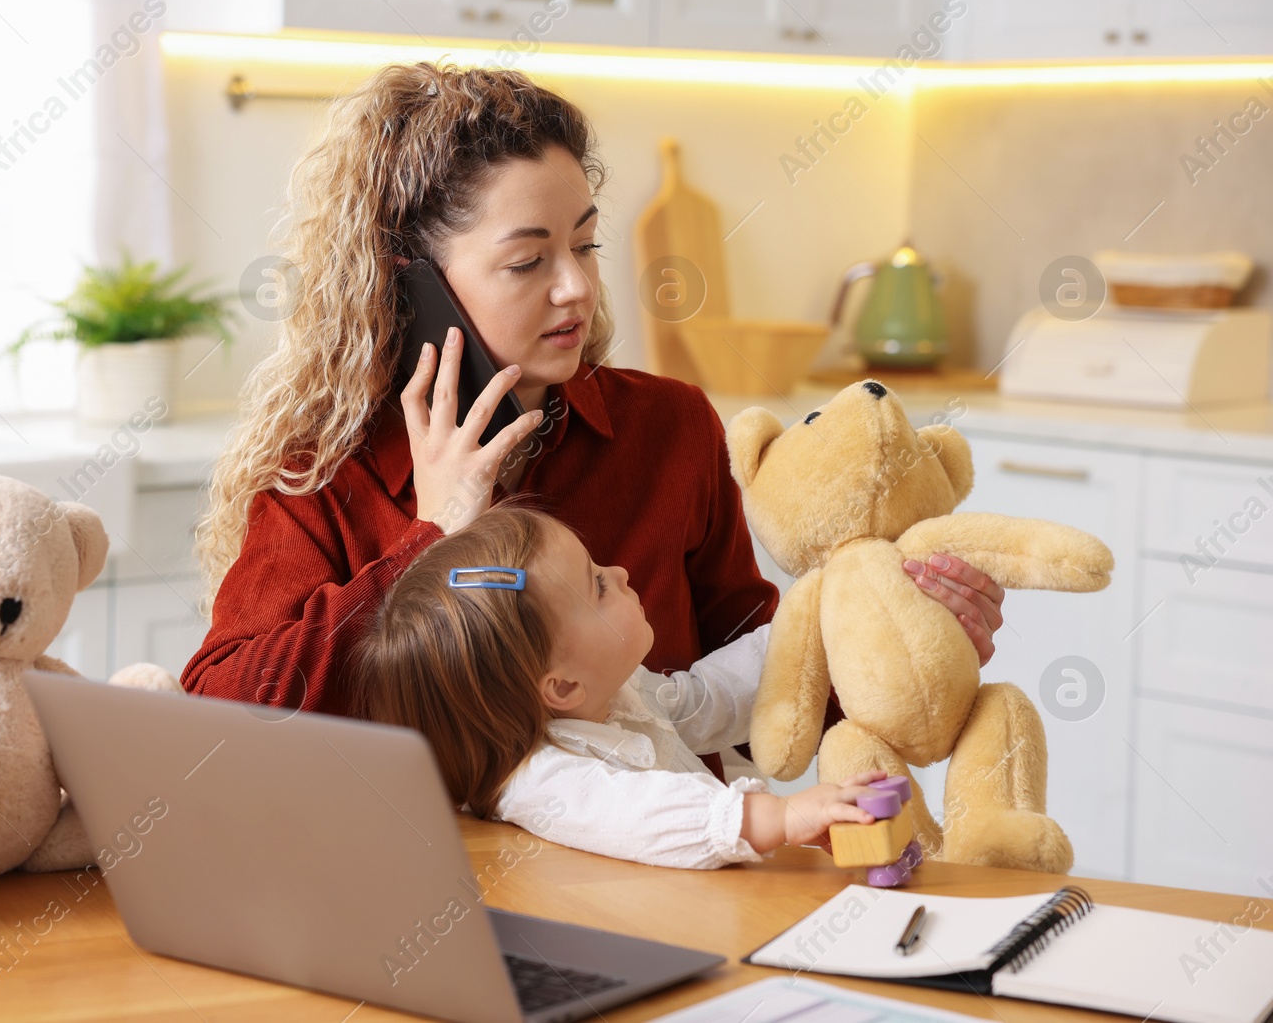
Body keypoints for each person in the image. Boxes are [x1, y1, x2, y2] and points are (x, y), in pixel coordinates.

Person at [183, 60, 1007, 779]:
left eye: (584, 246)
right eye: (526, 260)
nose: (575, 286)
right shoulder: (328, 471)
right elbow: (218, 718)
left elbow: (771, 698)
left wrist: (906, 639)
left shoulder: (670, 430)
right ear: (413, 288)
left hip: (666, 880)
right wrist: (426, 541)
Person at [351, 502, 893, 868]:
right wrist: (778, 817)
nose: (621, 572)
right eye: (599, 586)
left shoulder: (614, 699)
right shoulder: (542, 784)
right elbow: (634, 811)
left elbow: (705, 698)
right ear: (562, 686)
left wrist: (821, 620)